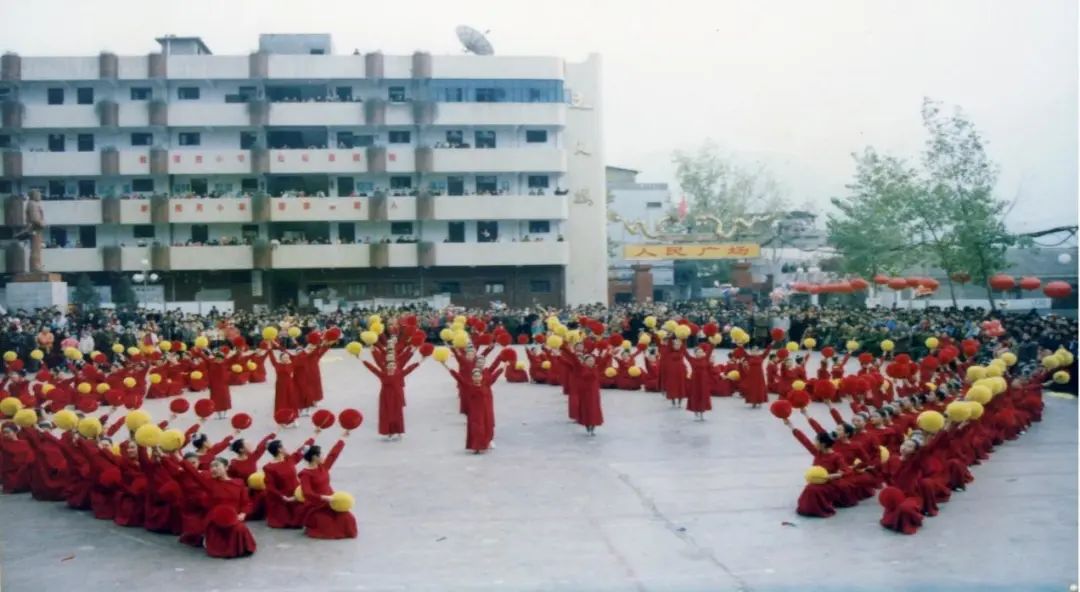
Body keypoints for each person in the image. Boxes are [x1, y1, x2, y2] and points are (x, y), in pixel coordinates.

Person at [298, 437, 357, 539]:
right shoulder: (305, 474)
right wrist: (323, 497)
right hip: (316, 505)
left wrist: (342, 440)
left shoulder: (323, 467)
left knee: (348, 519)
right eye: (321, 454)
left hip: (332, 502)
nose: (323, 456)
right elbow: (307, 493)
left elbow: (332, 455)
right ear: (314, 457)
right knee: (327, 526)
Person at [362, 356, 419, 440]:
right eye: (389, 365)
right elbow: (372, 369)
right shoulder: (382, 374)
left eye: (393, 365)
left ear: (395, 366)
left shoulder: (399, 373)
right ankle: (389, 432)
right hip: (385, 397)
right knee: (387, 415)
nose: (391, 367)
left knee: (397, 414)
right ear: (386, 367)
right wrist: (361, 359)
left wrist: (420, 361)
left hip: (396, 396)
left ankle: (398, 431)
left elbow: (409, 369)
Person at [262, 437, 314, 529]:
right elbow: (270, 487)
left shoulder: (289, 459)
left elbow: (300, 451)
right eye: (283, 447)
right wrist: (283, 497)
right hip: (282, 497)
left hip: (296, 494)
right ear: (279, 449)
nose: (286, 448)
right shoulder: (269, 467)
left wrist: (314, 436)